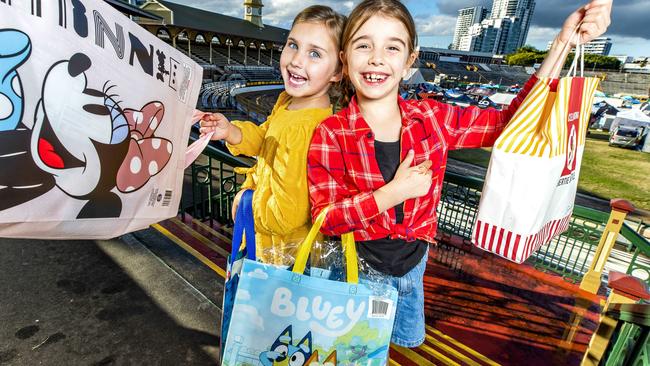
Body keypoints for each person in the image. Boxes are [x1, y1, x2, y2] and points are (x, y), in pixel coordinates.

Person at [307, 0, 612, 349]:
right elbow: (326, 218)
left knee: (395, 348)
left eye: (392, 47)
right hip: (354, 271)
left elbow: (507, 123)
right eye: (364, 45)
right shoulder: (331, 133)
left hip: (412, 268)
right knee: (351, 351)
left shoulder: (433, 118)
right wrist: (392, 194)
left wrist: (561, 44)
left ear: (409, 61)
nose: (377, 57)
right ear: (345, 59)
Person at [199, 6, 346, 264]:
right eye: (293, 45)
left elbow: (285, 215)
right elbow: (266, 138)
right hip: (268, 248)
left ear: (337, 72)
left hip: (282, 258)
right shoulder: (287, 101)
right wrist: (231, 131)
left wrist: (248, 202)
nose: (297, 60)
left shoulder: (307, 128)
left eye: (314, 53)